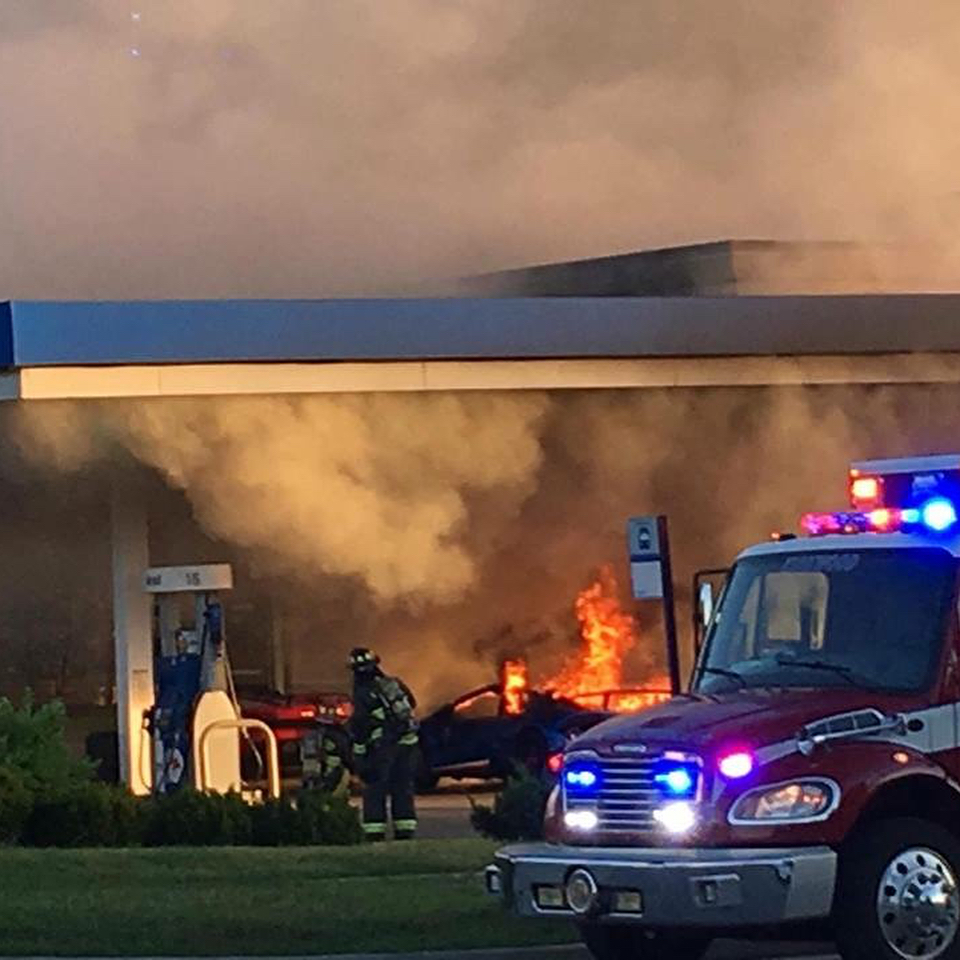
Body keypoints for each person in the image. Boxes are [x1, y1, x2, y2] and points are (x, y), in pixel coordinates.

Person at [348, 647, 419, 841]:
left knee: (374, 789)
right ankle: (405, 832)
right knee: (403, 789)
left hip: (382, 748)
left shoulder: (362, 693)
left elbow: (360, 726)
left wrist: (360, 756)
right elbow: (412, 703)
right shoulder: (394, 683)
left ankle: (374, 833)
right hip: (408, 744)